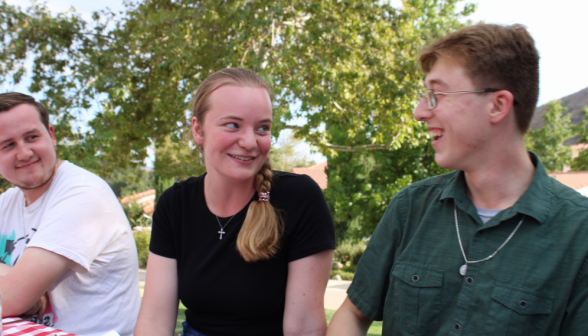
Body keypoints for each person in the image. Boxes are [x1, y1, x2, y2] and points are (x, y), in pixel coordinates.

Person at [327, 23, 588, 335]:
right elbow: (353, 315)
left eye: (436, 94)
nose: (419, 112)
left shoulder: (579, 235)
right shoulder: (410, 207)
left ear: (497, 105)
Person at [135, 68, 336, 336]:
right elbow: (154, 321)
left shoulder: (299, 198)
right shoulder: (175, 204)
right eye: (233, 124)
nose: (250, 142)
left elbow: (303, 328)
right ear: (198, 130)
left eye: (262, 128)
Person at [0, 93, 141, 336]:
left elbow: (9, 299)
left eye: (31, 137)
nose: (24, 153)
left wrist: (17, 291)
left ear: (51, 136)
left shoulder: (83, 193)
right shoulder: (8, 203)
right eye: (8, 145)